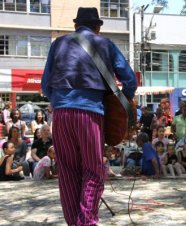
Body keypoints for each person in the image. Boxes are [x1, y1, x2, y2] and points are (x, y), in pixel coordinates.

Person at [41, 7, 137, 225]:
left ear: (76, 26)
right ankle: (86, 222)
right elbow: (130, 81)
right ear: (98, 27)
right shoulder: (106, 44)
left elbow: (45, 86)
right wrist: (119, 104)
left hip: (61, 115)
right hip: (90, 114)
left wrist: (61, 101)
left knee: (67, 173)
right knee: (93, 172)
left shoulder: (58, 44)